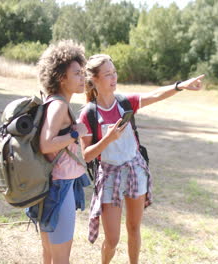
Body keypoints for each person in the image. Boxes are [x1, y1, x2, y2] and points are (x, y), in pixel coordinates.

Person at [79, 54, 204, 264]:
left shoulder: (125, 103)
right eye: (108, 74)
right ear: (94, 80)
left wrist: (181, 85)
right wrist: (108, 139)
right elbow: (87, 155)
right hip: (110, 175)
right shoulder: (88, 114)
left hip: (135, 168)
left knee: (134, 228)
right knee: (112, 239)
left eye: (114, 72)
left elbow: (155, 94)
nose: (114, 77)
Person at [28, 40, 90, 264]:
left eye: (83, 73)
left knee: (49, 255)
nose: (83, 78)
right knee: (61, 258)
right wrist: (75, 134)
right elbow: (46, 144)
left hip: (51, 184)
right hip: (59, 187)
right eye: (77, 73)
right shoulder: (59, 105)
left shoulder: (51, 102)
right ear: (61, 77)